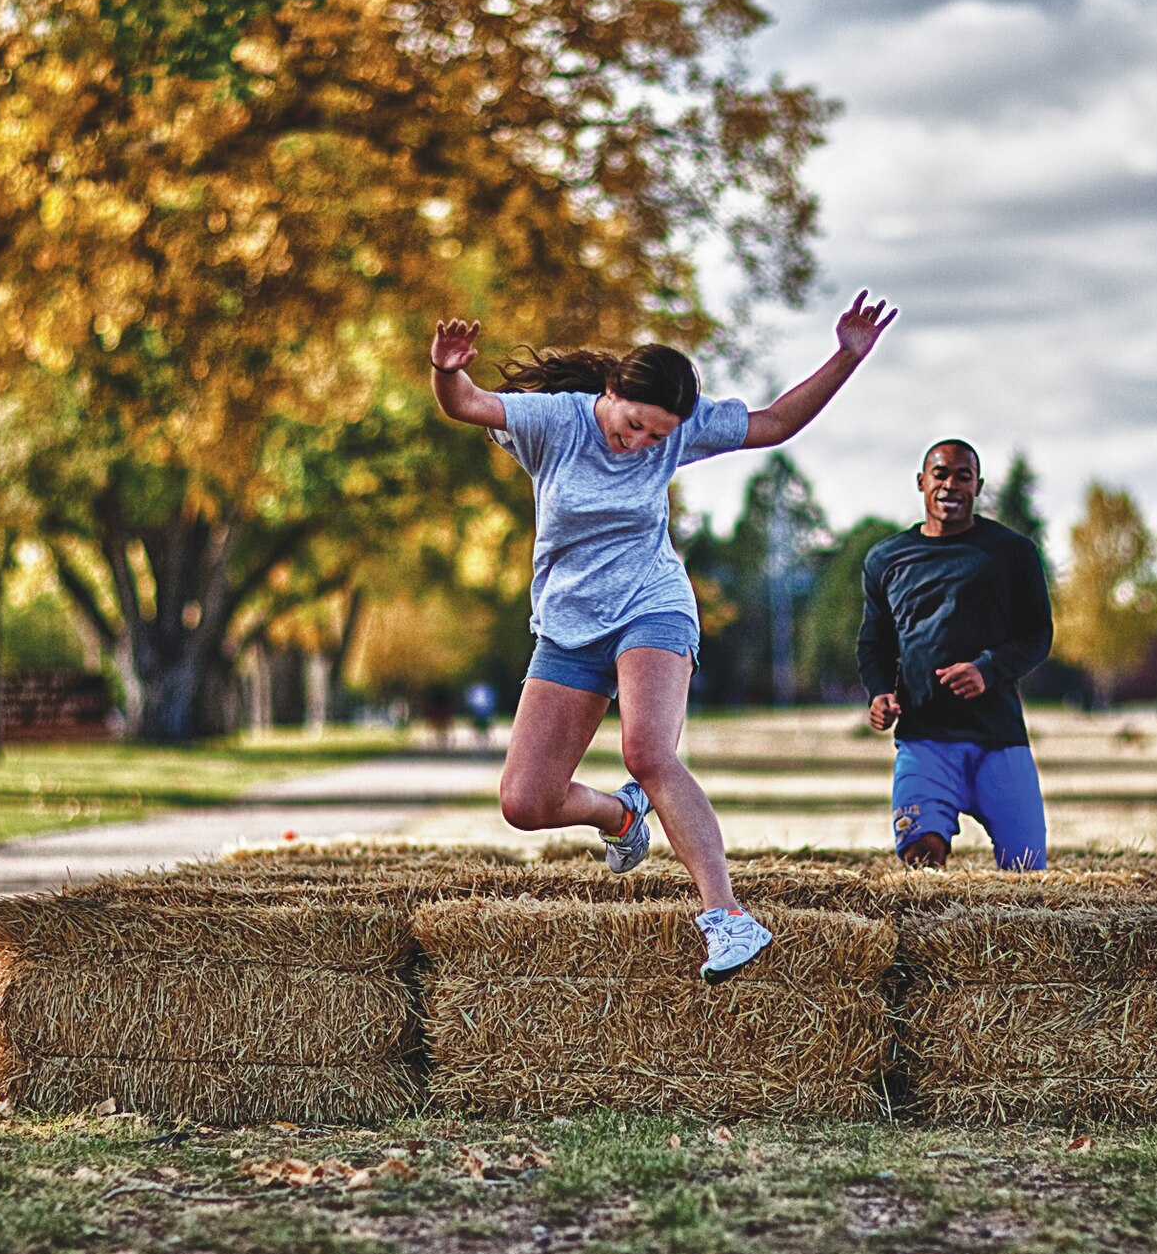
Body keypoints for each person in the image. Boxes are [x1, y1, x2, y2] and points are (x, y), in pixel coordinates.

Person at [432, 293, 896, 982]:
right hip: (567, 621)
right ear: (612, 391)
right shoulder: (556, 421)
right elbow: (466, 404)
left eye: (658, 436)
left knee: (648, 748)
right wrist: (445, 370)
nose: (642, 444)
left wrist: (845, 358)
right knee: (524, 802)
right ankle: (620, 815)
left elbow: (773, 422)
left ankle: (727, 917)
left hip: (651, 604)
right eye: (634, 425)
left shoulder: (676, 431)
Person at [858, 440, 1052, 870]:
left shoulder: (1013, 553)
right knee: (921, 858)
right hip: (924, 740)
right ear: (921, 482)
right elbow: (874, 643)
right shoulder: (886, 559)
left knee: (1027, 872)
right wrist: (878, 692)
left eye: (963, 476)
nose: (950, 485)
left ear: (978, 486)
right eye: (941, 474)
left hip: (998, 739)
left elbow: (1039, 634)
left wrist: (988, 669)